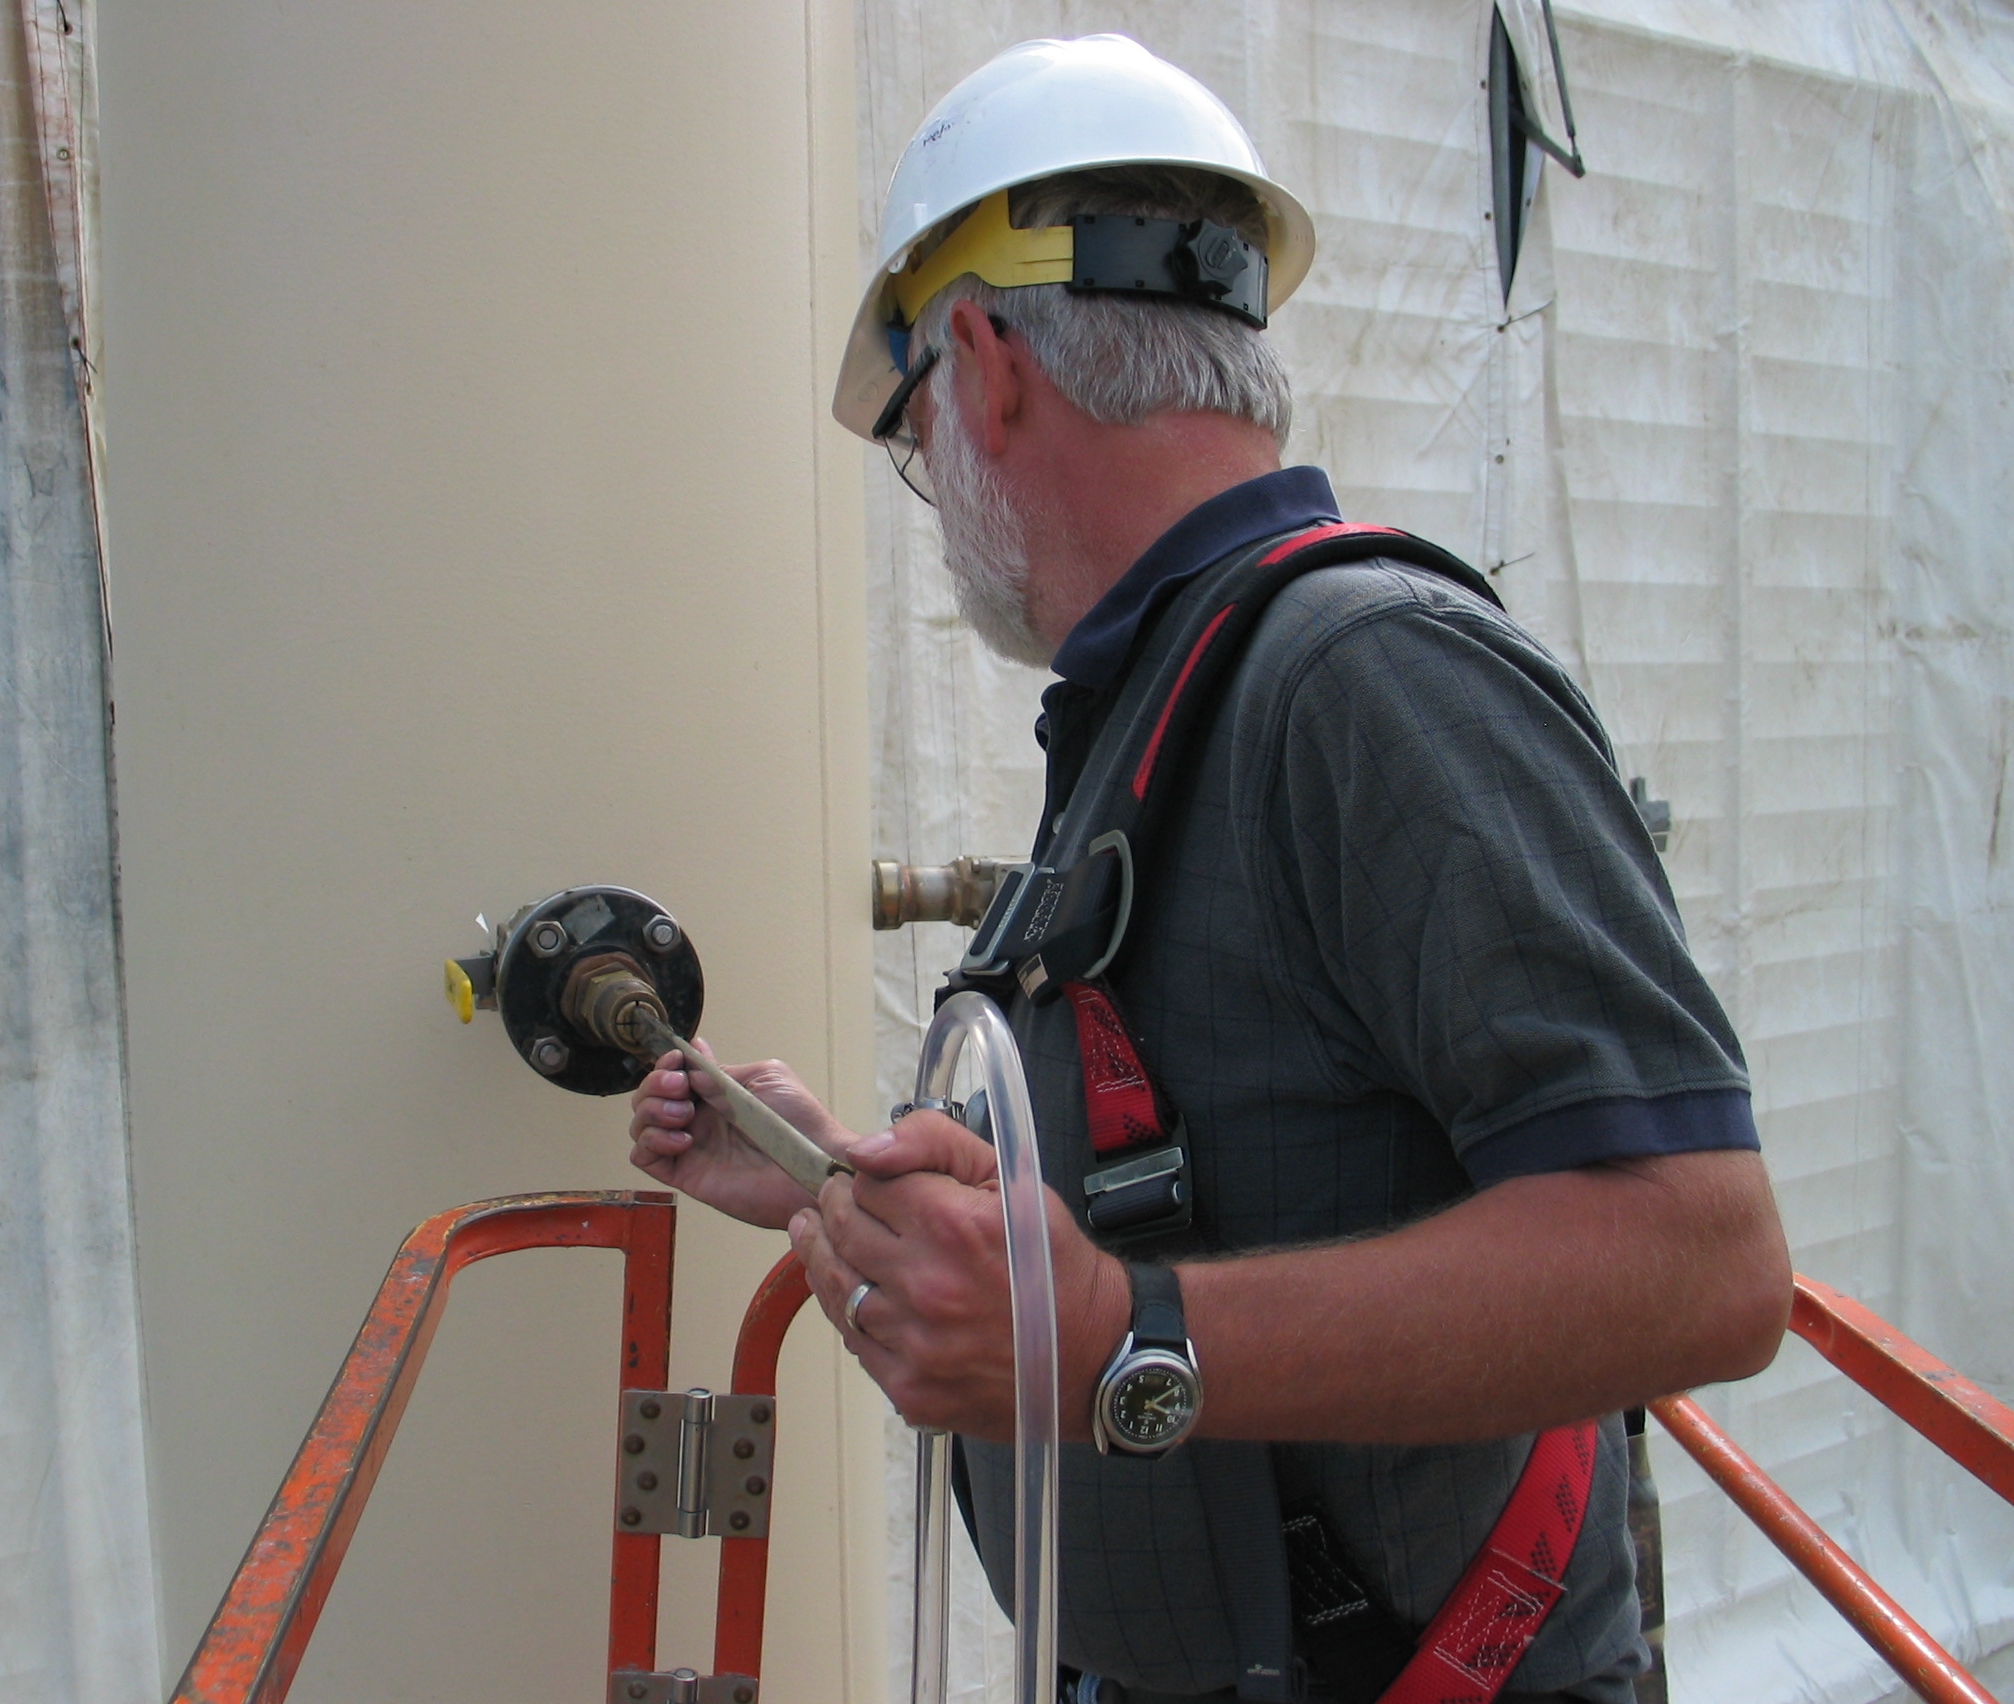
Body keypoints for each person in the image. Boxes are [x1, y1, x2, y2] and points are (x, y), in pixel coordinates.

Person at [629, 35, 1790, 1704]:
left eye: (914, 430)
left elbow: (1707, 1260)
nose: (930, 484)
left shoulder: (1366, 680)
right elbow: (1205, 1163)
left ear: (986, 359)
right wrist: (840, 1184)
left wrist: (1121, 1333)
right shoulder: (1165, 702)